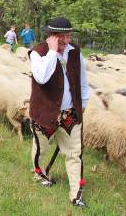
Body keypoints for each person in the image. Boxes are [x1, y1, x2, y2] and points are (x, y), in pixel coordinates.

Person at [28, 16, 90, 208]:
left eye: (68, 36)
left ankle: (75, 194)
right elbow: (42, 77)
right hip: (45, 112)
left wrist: (83, 104)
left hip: (70, 114)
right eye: (61, 37)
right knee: (41, 148)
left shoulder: (75, 53)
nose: (65, 41)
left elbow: (82, 81)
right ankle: (39, 173)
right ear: (51, 36)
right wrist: (53, 52)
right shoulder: (38, 53)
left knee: (74, 153)